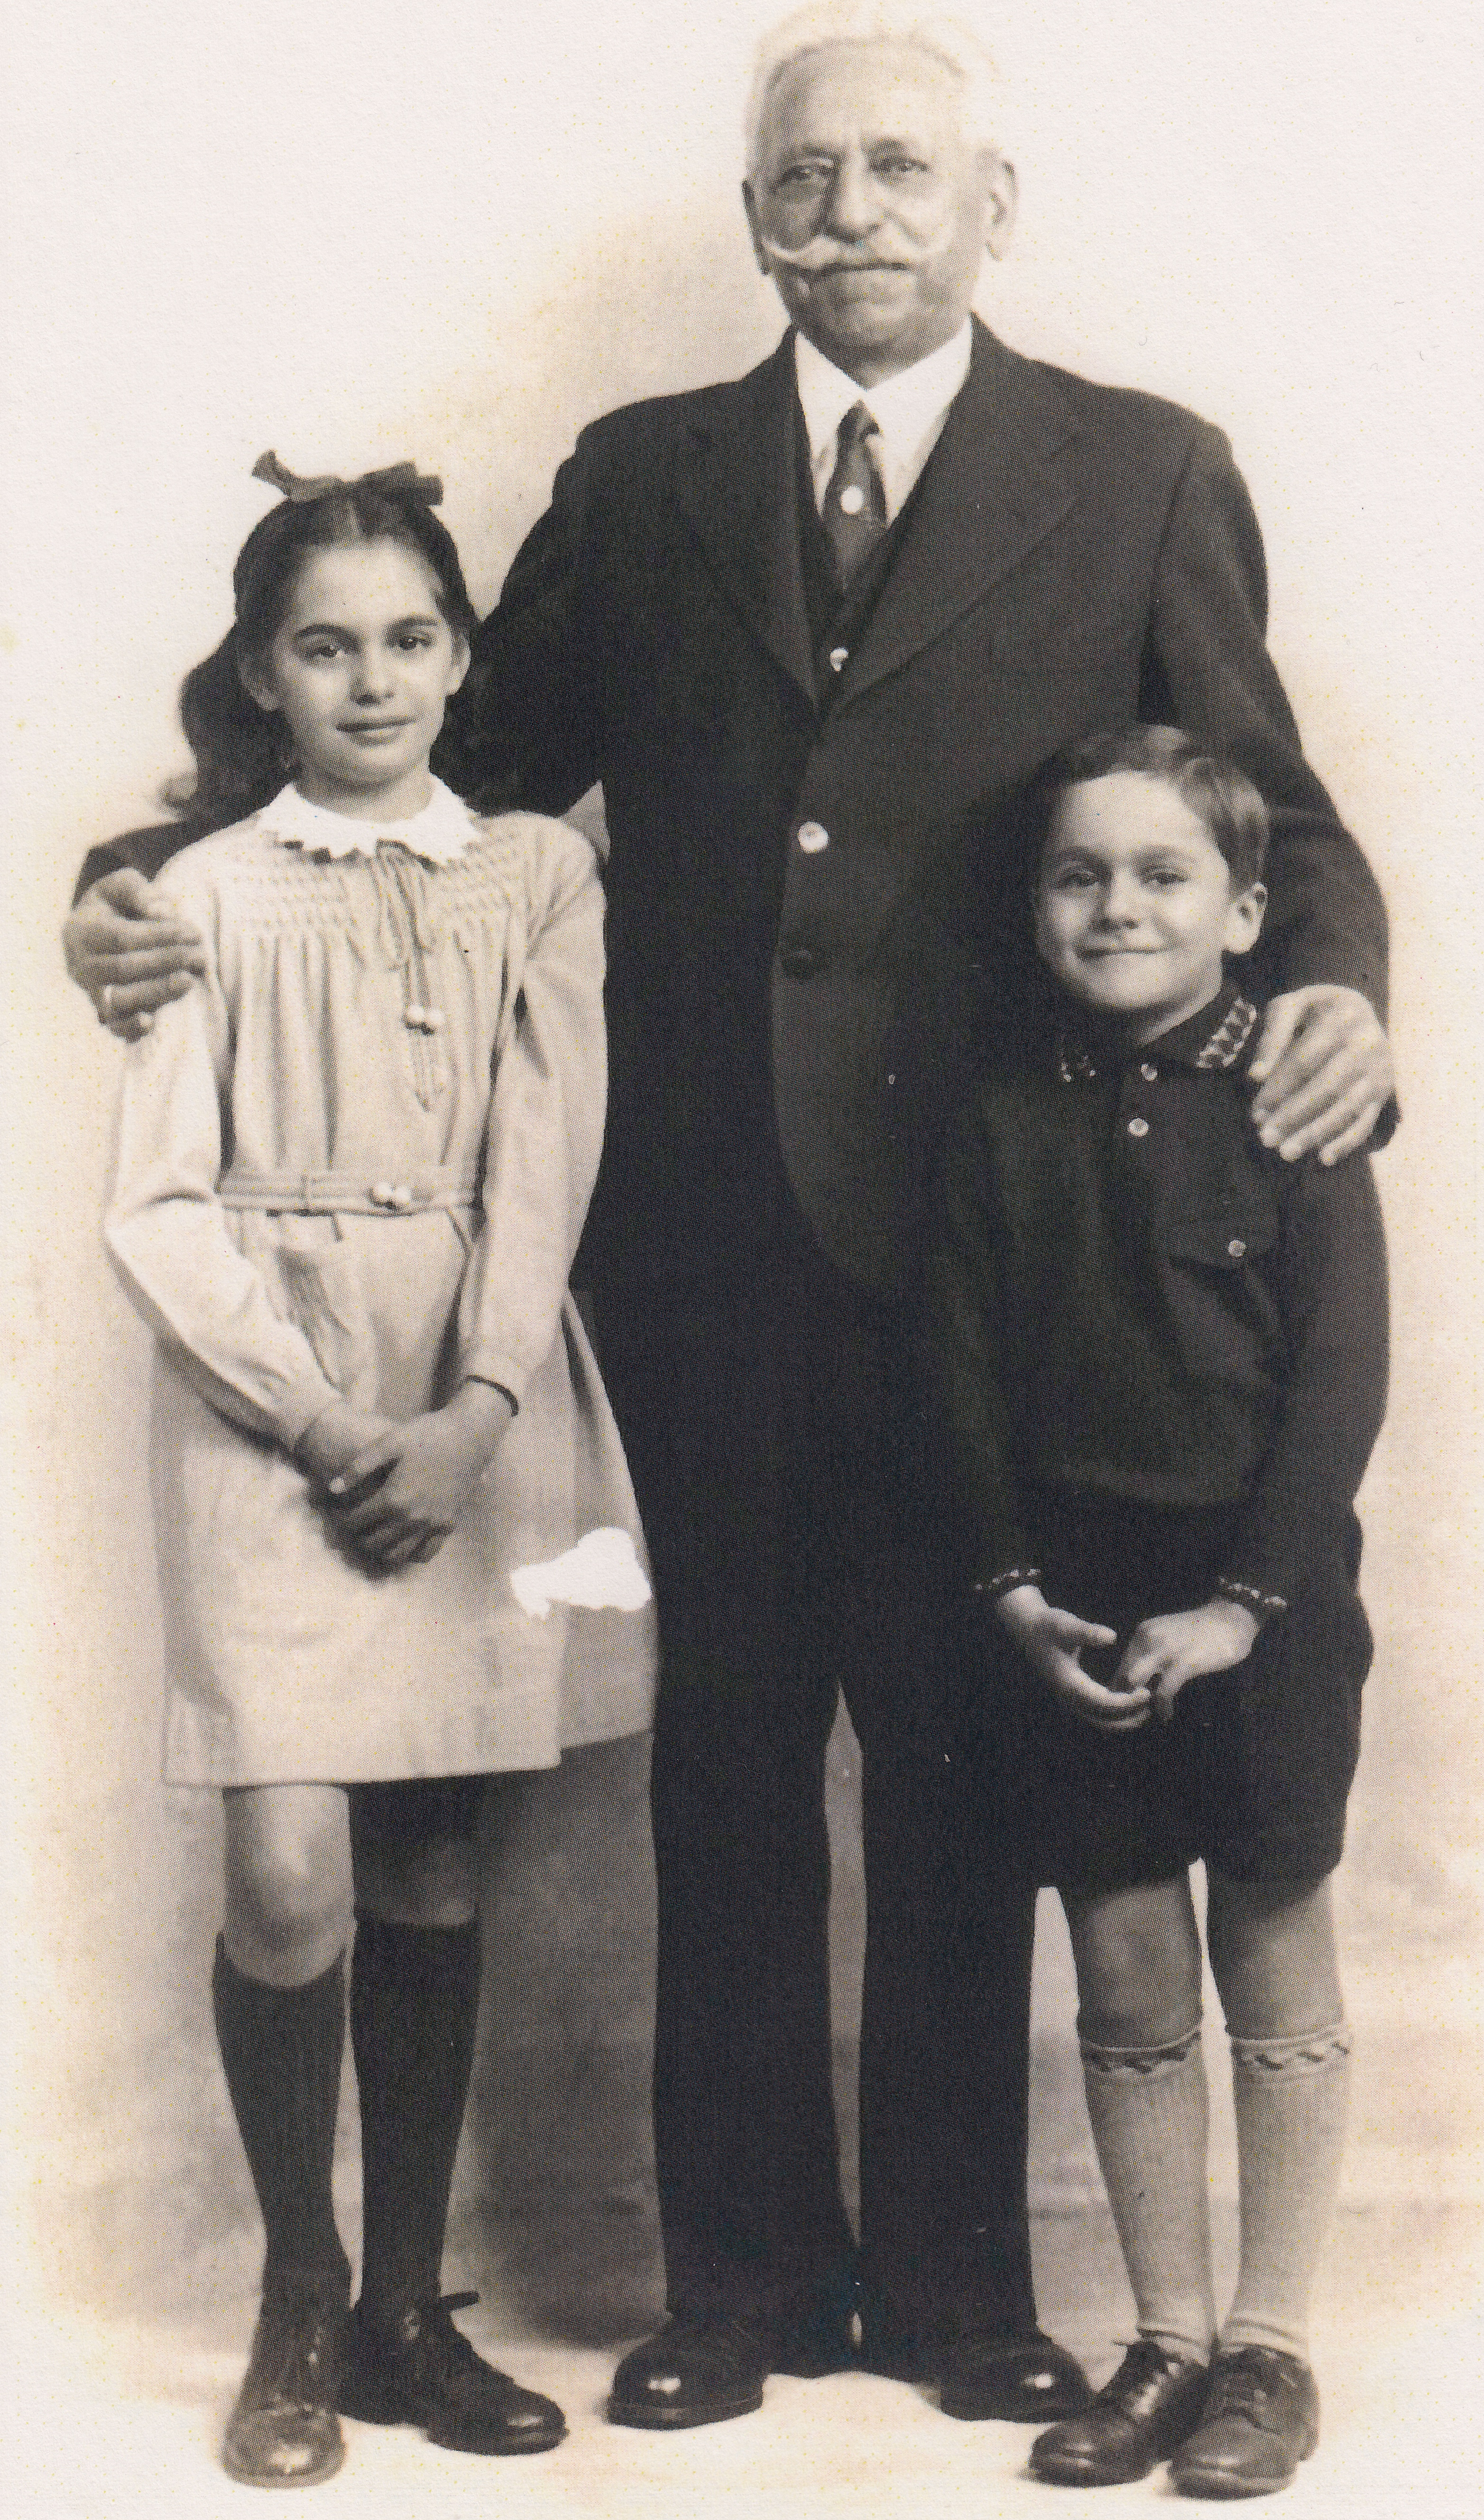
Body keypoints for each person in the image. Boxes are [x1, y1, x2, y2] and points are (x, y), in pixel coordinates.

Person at [64, 5, 1396, 2432]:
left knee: (971, 1762)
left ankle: (966, 2289)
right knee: (729, 1765)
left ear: (995, 209)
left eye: (904, 170)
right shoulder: (646, 471)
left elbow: (1268, 813)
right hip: (688, 1242)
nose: (855, 211)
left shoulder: (1139, 469)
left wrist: (1332, 996)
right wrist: (140, 876)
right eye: (810, 175)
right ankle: (746, 2278)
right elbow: (427, 775)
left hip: (1008, 1252)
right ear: (752, 211)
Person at [101, 456, 655, 2486]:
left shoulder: (537, 873)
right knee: (287, 1863)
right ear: (261, 671)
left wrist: (478, 1404)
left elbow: (549, 1150)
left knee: (430, 1858)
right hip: (272, 1402)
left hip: (475, 1394)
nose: (371, 677)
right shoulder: (201, 893)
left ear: (462, 653)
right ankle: (299, 2288)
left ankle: (413, 2306)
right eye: (324, 644)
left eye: (411, 636)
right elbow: (156, 1209)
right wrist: (330, 1420)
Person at [928, 726, 1386, 2497]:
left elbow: (1342, 1377)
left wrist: (1249, 1607)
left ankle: (1270, 2348)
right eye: (1078, 875)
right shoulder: (995, 1113)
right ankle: (1168, 2340)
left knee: (1270, 1942)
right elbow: (958, 1374)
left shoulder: (1295, 1099)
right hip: (1081, 1616)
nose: (1117, 904)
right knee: (1124, 1969)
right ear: (1037, 906)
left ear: (1248, 906)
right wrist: (1017, 1592)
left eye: (1164, 873)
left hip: (1257, 1605)